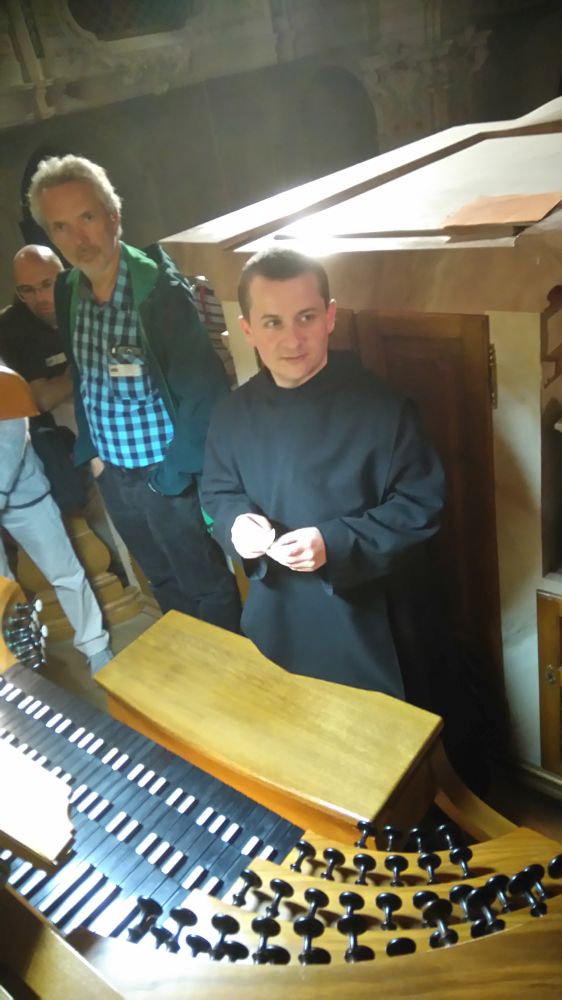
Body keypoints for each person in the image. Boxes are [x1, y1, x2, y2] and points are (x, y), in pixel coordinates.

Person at [201, 247, 446, 700]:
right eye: (272, 322)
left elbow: (420, 506)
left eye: (306, 317)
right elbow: (216, 493)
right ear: (247, 329)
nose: (292, 339)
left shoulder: (386, 409)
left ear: (330, 317)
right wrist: (236, 523)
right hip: (274, 620)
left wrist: (333, 543)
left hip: (368, 626)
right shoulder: (230, 414)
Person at [27, 154, 241, 631]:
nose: (78, 238)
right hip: (114, 475)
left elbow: (204, 396)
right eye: (61, 227)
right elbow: (83, 374)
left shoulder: (158, 292)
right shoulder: (68, 290)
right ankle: (187, 664)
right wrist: (93, 454)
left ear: (113, 216)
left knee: (205, 584)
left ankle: (228, 671)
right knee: (160, 580)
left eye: (87, 217)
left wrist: (171, 476)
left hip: (165, 473)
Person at [0, 367, 112, 674]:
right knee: (3, 588)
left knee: (66, 574)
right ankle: (13, 662)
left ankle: (95, 645)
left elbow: (8, 443)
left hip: (27, 498)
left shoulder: (5, 380)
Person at [0, 245, 87, 511]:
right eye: (26, 290)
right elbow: (41, 399)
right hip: (36, 427)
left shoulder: (88, 297)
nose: (39, 298)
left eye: (47, 284)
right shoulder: (14, 326)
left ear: (65, 275)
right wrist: (85, 368)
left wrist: (69, 377)